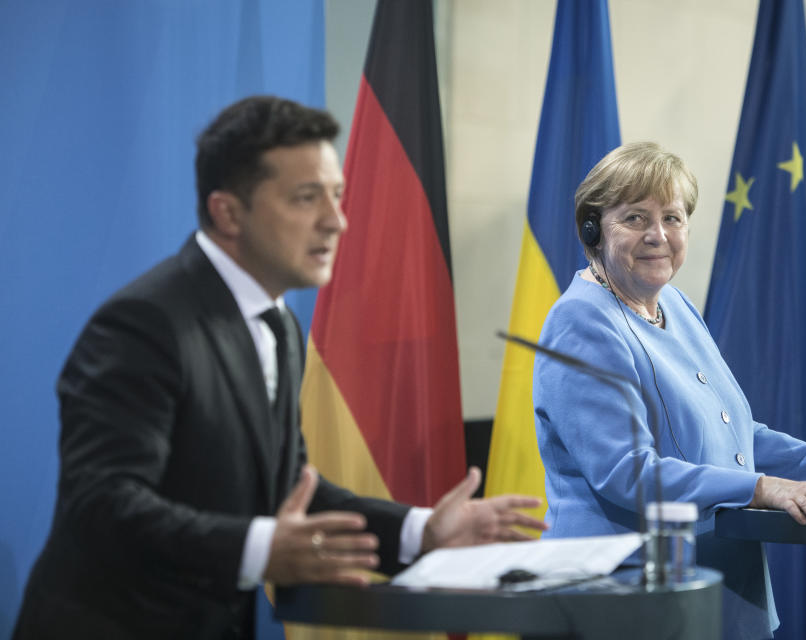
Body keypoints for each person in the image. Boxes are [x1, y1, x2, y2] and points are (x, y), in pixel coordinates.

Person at [14, 96, 545, 640]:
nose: (336, 221)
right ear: (227, 212)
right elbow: (103, 504)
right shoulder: (145, 323)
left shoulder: (278, 325)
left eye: (336, 196)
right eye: (305, 198)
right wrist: (263, 549)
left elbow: (290, 485)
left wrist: (421, 531)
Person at [532, 141, 806, 640]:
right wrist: (760, 488)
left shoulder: (677, 307)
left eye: (672, 217)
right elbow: (628, 473)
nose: (658, 235)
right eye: (635, 218)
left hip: (721, 591)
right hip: (624, 601)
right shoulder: (581, 321)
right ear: (592, 230)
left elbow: (736, 435)